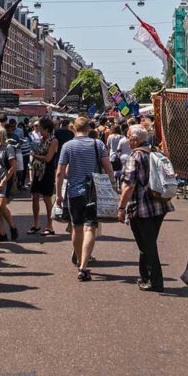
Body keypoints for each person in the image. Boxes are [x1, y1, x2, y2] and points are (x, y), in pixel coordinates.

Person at [55, 116, 113, 281]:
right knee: (90, 228)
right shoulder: (98, 144)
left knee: (76, 227)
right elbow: (108, 168)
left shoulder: (68, 146)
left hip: (74, 192)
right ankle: (84, 266)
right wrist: (112, 186)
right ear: (89, 128)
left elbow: (60, 173)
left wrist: (58, 193)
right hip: (92, 191)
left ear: (74, 128)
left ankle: (80, 260)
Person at [117, 124, 172, 292]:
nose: (127, 140)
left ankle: (156, 281)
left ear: (134, 140)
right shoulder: (156, 152)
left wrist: (121, 207)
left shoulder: (135, 156)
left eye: (128, 137)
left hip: (142, 207)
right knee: (148, 242)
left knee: (147, 244)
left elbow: (129, 185)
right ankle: (145, 276)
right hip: (160, 203)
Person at [27, 117, 59, 236]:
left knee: (46, 199)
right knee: (34, 196)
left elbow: (48, 158)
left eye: (41, 129)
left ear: (46, 129)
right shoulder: (41, 139)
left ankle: (49, 225)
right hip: (38, 171)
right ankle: (36, 224)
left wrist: (35, 155)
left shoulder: (53, 141)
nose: (39, 131)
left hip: (47, 172)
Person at [0, 124, 20, 241]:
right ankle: (1, 233)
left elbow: (13, 167)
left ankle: (13, 227)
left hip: (4, 179)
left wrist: (3, 181)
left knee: (1, 205)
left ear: (0, 136)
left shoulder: (8, 148)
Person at [7, 119, 30, 193]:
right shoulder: (5, 134)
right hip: (9, 153)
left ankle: (19, 184)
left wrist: (16, 145)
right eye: (11, 127)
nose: (12, 128)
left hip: (18, 152)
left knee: (20, 170)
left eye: (13, 126)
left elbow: (22, 142)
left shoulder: (19, 131)